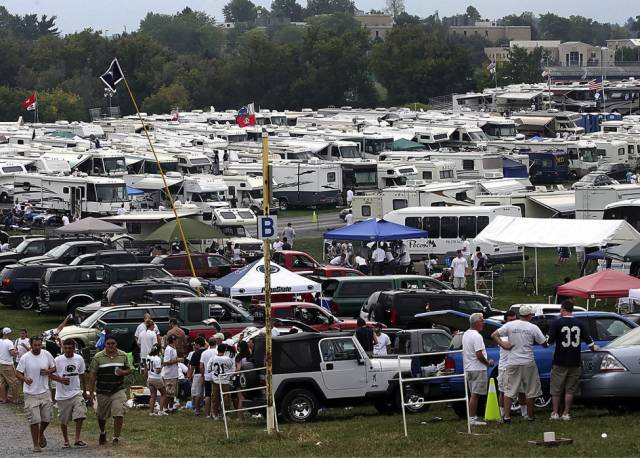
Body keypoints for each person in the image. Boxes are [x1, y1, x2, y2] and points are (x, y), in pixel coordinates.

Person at [491, 304, 547, 423]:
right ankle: (530, 416)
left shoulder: (510, 325)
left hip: (512, 362)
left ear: (520, 315)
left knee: (509, 391)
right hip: (528, 362)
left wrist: (503, 344)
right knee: (530, 391)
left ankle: (506, 417)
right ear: (529, 315)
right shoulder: (533, 327)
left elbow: (494, 335)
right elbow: (544, 343)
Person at [547, 301, 596, 421]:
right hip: (575, 360)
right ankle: (566, 413)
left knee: (556, 388)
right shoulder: (580, 323)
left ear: (563, 309)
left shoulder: (557, 322)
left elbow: (549, 341)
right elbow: (590, 343)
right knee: (570, 389)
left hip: (560, 359)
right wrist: (594, 348)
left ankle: (555, 412)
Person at [88, 334, 131, 445]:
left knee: (119, 413)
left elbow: (128, 369)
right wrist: (91, 393)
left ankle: (116, 438)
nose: (111, 346)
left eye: (113, 343)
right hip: (102, 390)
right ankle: (102, 432)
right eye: (108, 344)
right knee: (101, 416)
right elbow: (92, 375)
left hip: (118, 389)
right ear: (105, 344)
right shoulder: (98, 357)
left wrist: (123, 372)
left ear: (116, 344)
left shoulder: (123, 355)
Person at [15, 336, 56, 452]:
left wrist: (48, 371)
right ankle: (36, 445)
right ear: (31, 345)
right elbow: (18, 373)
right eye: (35, 345)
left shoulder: (47, 354)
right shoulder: (25, 357)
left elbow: (54, 368)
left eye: (39, 345)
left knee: (47, 418)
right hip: (30, 393)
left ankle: (41, 433)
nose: (37, 347)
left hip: (44, 391)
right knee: (35, 420)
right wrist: (25, 379)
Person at [51, 339, 88, 448]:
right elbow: (49, 374)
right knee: (64, 420)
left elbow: (82, 374)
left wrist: (84, 390)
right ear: (63, 348)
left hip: (76, 392)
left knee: (81, 414)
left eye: (70, 348)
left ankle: (77, 438)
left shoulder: (79, 358)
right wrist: (60, 380)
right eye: (66, 348)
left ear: (74, 348)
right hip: (62, 394)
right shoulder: (57, 360)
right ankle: (66, 440)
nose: (68, 350)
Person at [462, 313, 494, 426]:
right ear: (476, 322)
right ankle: (472, 418)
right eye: (482, 320)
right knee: (475, 394)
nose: (484, 322)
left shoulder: (466, 334)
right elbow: (479, 355)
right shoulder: (477, 336)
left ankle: (473, 416)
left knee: (473, 394)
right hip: (477, 368)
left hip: (469, 368)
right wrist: (488, 363)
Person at [496, 310, 524, 418]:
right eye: (510, 320)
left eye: (514, 320)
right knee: (503, 391)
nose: (513, 322)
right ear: (505, 321)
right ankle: (502, 414)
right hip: (505, 367)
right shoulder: (502, 334)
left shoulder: (517, 332)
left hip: (518, 365)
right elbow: (507, 344)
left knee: (522, 391)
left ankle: (525, 413)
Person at [210, 343, 235, 419]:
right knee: (226, 397)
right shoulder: (227, 359)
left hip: (216, 379)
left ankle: (215, 413)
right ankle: (225, 414)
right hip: (225, 380)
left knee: (215, 397)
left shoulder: (213, 358)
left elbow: (208, 368)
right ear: (225, 350)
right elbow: (231, 367)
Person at [144, 344, 166, 417]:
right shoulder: (157, 358)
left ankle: (151, 412)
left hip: (150, 378)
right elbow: (158, 371)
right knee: (164, 394)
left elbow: (146, 368)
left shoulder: (148, 356)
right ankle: (161, 410)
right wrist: (162, 365)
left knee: (153, 396)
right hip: (157, 379)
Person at [234, 340, 253, 419]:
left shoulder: (239, 356)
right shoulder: (250, 355)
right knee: (246, 397)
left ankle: (240, 417)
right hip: (249, 377)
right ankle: (245, 415)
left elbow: (238, 369)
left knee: (241, 398)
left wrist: (233, 373)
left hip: (240, 378)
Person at [200, 336, 218, 419]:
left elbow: (201, 366)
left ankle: (207, 413)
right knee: (216, 395)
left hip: (207, 376)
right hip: (216, 376)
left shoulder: (204, 353)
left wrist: (203, 375)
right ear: (216, 343)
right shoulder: (217, 352)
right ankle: (215, 413)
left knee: (207, 395)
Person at [161, 335, 180, 412]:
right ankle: (165, 408)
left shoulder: (173, 348)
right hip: (169, 374)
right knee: (168, 392)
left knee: (172, 392)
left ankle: (171, 407)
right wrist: (177, 360)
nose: (178, 341)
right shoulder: (168, 349)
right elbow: (165, 362)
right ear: (173, 340)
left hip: (174, 373)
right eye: (176, 340)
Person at [188, 337, 206, 416]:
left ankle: (197, 409)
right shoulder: (207, 352)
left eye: (195, 344)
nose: (194, 346)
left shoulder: (196, 353)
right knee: (206, 393)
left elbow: (192, 366)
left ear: (198, 344)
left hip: (198, 374)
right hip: (208, 374)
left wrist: (190, 375)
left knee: (196, 393)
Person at [0, 327, 18, 404]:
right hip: (7, 364)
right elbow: (12, 353)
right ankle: (14, 399)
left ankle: (3, 398)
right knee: (14, 382)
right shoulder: (9, 342)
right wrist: (16, 352)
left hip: (0, 363)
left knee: (2, 382)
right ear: (8, 333)